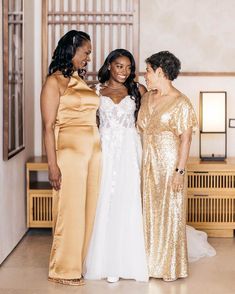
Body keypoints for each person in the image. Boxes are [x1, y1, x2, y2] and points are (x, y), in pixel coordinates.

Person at [137, 51, 215, 281]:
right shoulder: (146, 97)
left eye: (148, 71)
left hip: (170, 163)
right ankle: (149, 263)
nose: (146, 75)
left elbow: (186, 139)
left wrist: (179, 172)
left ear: (160, 72)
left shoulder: (181, 102)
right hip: (148, 162)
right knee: (148, 212)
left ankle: (169, 267)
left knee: (169, 213)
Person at [40, 30, 101, 286]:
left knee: (90, 211)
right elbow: (47, 126)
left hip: (94, 152)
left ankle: (81, 263)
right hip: (70, 154)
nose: (88, 57)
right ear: (72, 50)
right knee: (71, 211)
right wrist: (52, 166)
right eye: (86, 52)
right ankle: (63, 269)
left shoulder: (81, 81)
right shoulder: (53, 82)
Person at [84, 49, 149, 282]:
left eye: (129, 67)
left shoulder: (138, 90)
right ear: (109, 65)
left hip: (130, 152)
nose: (125, 71)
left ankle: (129, 261)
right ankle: (104, 260)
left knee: (128, 199)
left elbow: (149, 120)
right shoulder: (95, 91)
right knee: (104, 199)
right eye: (120, 66)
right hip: (105, 151)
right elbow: (90, 123)